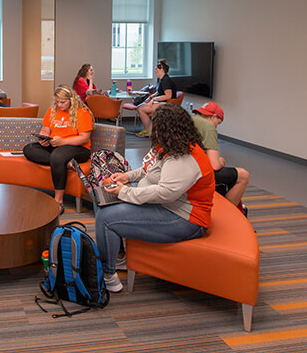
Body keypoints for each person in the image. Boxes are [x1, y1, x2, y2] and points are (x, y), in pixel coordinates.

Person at [91, 103, 215, 293]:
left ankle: (108, 276)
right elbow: (150, 170)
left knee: (107, 218)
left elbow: (164, 193)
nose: (152, 131)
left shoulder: (185, 158)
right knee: (100, 199)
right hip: (166, 206)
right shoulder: (173, 146)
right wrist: (127, 177)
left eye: (156, 127)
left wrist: (125, 192)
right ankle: (119, 257)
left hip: (185, 219)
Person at [23, 85, 94, 215]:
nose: (59, 105)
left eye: (62, 102)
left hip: (78, 148)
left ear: (71, 100)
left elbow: (84, 138)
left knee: (57, 156)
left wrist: (63, 142)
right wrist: (44, 138)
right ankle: (64, 164)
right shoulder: (52, 110)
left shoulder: (82, 112)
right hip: (56, 145)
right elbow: (45, 129)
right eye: (57, 102)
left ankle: (58, 201)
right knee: (29, 149)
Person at [192, 102, 250, 214]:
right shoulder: (208, 127)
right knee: (243, 175)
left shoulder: (190, 120)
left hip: (186, 168)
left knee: (227, 177)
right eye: (217, 123)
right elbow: (215, 165)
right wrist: (222, 161)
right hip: (197, 174)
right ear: (213, 116)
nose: (216, 127)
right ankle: (227, 214)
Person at [123, 58, 177, 137]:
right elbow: (159, 92)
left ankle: (148, 130)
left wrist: (154, 99)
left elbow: (168, 95)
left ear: (162, 69)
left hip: (166, 104)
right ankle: (149, 129)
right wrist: (151, 97)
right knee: (139, 107)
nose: (155, 71)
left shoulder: (166, 81)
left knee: (140, 109)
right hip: (161, 102)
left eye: (156, 69)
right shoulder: (162, 79)